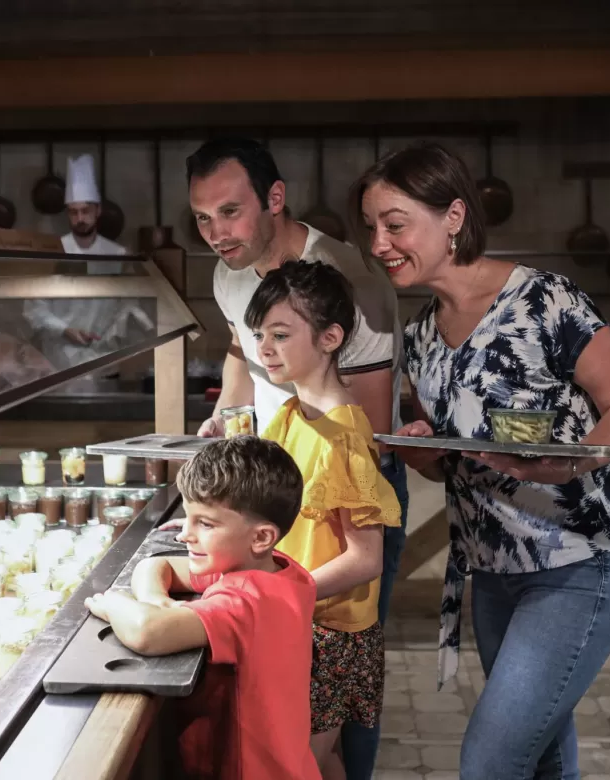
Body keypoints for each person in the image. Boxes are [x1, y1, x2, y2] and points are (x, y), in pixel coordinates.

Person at [352, 141, 610, 780]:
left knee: (490, 761)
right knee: (541, 754)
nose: (379, 243)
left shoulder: (547, 300)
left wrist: (577, 460)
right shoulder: (422, 332)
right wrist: (417, 448)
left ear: (454, 216)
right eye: (372, 227)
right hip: (490, 571)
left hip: (577, 562)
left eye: (395, 224)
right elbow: (451, 461)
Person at [186, 138, 408, 778]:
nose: (216, 234)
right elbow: (238, 349)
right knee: (292, 728)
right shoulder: (229, 275)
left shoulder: (347, 283)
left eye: (230, 213)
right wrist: (229, 420)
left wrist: (280, 585)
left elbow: (363, 429)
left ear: (274, 199)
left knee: (327, 731)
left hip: (335, 492)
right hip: (283, 476)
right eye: (202, 218)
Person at [86, 436, 321, 780]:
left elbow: (146, 632)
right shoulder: (279, 570)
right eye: (187, 517)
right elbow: (155, 567)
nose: (184, 535)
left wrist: (112, 603)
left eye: (205, 524)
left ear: (261, 537)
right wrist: (156, 601)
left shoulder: (244, 603)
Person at [246, 260, 401, 779]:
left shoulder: (344, 438)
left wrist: (286, 592)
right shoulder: (289, 415)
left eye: (281, 334)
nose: (265, 348)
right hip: (299, 619)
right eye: (260, 334)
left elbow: (367, 557)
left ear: (330, 337)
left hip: (331, 632)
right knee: (323, 758)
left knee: (298, 764)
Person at [24, 154, 152, 374]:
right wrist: (65, 329)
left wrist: (114, 332)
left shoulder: (118, 254)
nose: (80, 218)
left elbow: (129, 303)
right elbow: (34, 308)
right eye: (74, 212)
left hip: (105, 357)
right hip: (58, 359)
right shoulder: (53, 251)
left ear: (98, 211)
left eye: (86, 211)